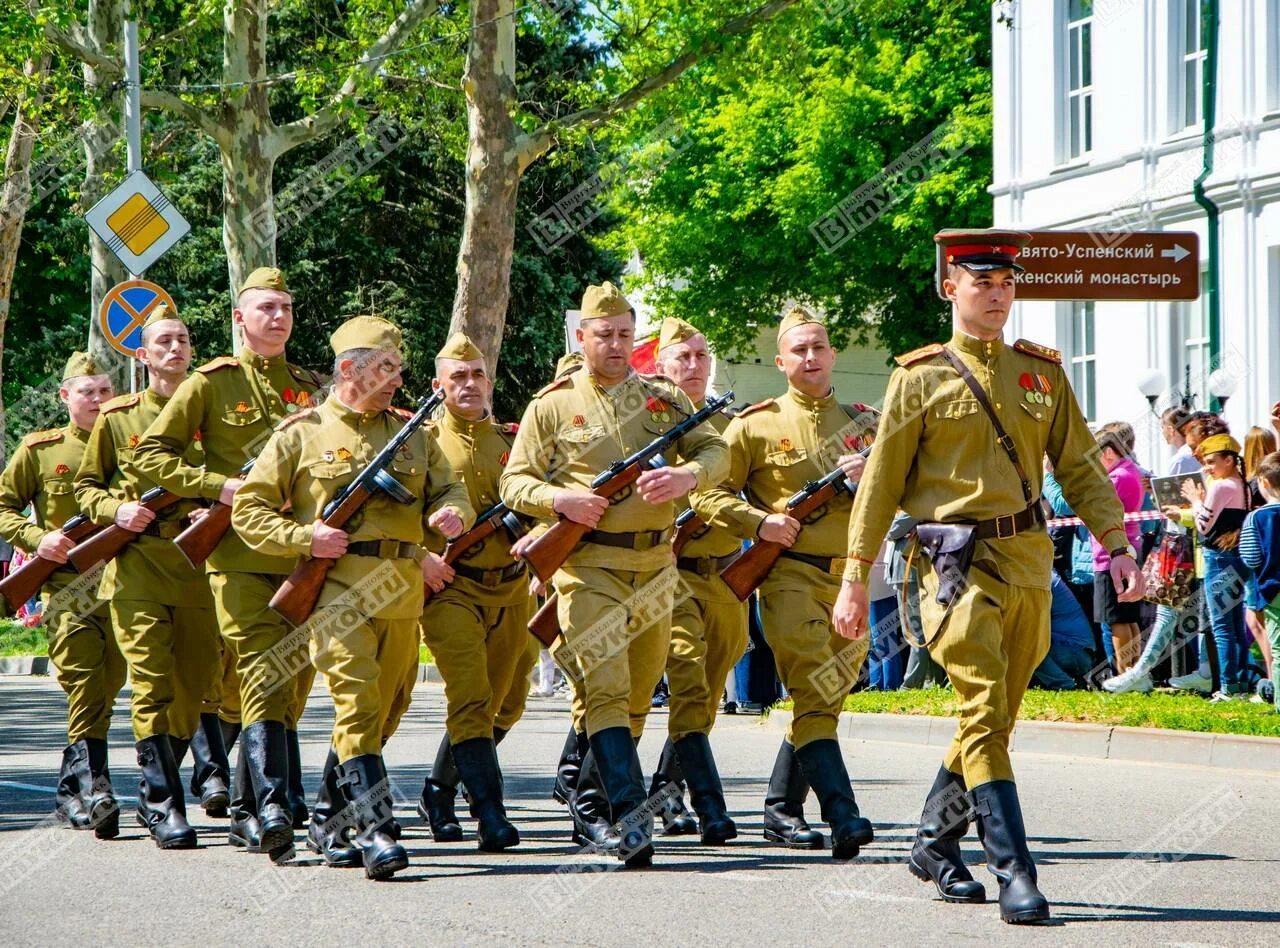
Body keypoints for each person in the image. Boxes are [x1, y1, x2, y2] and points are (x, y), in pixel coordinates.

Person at [835, 229, 1140, 924]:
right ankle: (1015, 873)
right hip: (951, 565)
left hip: (1029, 559)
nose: (997, 293)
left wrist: (1118, 544)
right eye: (981, 282)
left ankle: (933, 843)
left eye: (1006, 283)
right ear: (951, 287)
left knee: (995, 718)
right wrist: (854, 577)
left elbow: (1082, 469)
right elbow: (879, 488)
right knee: (980, 705)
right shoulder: (919, 376)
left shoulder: (1041, 372)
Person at [232, 315, 474, 879]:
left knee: (389, 709)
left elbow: (451, 487)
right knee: (358, 703)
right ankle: (376, 829)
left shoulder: (414, 433)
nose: (396, 378)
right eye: (385, 367)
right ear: (349, 370)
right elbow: (249, 511)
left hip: (402, 585)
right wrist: (303, 537)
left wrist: (451, 514)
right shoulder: (301, 434)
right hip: (337, 585)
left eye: (397, 367)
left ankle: (329, 815)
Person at [500, 281, 728, 867]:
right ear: (582, 337)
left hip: (655, 564)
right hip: (587, 565)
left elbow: (714, 451)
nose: (616, 344)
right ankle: (629, 818)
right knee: (604, 687)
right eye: (604, 335)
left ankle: (590, 805)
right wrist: (562, 502)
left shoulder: (662, 397)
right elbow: (514, 482)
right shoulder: (550, 405)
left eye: (626, 334)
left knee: (635, 699)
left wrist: (687, 479)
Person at [132, 267, 326, 858]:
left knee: (292, 680)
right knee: (265, 668)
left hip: (299, 552)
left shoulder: (305, 386)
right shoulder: (211, 383)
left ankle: (249, 807)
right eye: (266, 307)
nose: (279, 317)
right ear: (240, 319)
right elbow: (150, 456)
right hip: (239, 553)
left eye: (287, 307)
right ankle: (272, 802)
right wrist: (217, 486)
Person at [695, 306, 874, 860]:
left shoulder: (866, 424)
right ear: (780, 361)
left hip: (850, 578)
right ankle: (844, 814)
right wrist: (760, 522)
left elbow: (908, 490)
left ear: (832, 353)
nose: (811, 357)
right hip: (789, 576)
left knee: (828, 701)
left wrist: (876, 478)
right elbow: (707, 493)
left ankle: (780, 808)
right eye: (799, 350)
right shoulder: (756, 424)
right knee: (815, 691)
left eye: (818, 346)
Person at [73, 306, 225, 848]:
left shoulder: (213, 407)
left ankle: (151, 787)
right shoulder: (119, 417)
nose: (175, 349)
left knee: (197, 685)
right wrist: (115, 510)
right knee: (153, 683)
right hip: (138, 565)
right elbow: (85, 488)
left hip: (200, 566)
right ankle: (162, 803)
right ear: (142, 354)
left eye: (183, 339)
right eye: (163, 341)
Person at [0, 353, 123, 839]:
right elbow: (4, 507)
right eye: (87, 391)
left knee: (110, 683)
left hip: (127, 583)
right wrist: (36, 540)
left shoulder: (132, 445)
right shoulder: (40, 450)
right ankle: (96, 788)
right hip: (67, 586)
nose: (97, 400)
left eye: (105, 391)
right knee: (85, 683)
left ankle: (73, 787)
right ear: (65, 396)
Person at [416, 332, 527, 851]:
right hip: (451, 587)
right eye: (457, 377)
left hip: (510, 588)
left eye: (477, 374)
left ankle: (439, 789)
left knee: (502, 702)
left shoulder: (512, 441)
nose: (469, 384)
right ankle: (491, 814)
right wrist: (420, 553)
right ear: (438, 386)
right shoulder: (422, 441)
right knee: (471, 695)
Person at [644, 316, 744, 845]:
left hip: (725, 573)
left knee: (705, 694)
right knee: (686, 676)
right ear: (661, 366)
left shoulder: (731, 428)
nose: (693, 365)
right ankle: (699, 803)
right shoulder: (649, 418)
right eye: (681, 357)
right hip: (670, 568)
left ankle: (665, 785)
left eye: (701, 355)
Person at [1180, 432, 1251, 697]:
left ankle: (1228, 687)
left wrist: (1196, 499)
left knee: (1222, 627)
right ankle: (1241, 684)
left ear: (1230, 460)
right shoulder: (1242, 486)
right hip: (1236, 558)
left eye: (1212, 461)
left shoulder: (1221, 487)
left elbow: (1202, 525)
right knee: (1235, 626)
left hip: (1218, 559)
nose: (1207, 468)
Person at [1091, 423, 1145, 673]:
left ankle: (1125, 672)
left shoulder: (1116, 477)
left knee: (1116, 619)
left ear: (1109, 452)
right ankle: (1133, 671)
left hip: (1110, 554)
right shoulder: (1130, 471)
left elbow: (1096, 509)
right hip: (1127, 549)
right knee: (1127, 616)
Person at [1240, 451, 1280, 709]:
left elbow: (1250, 557)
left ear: (1264, 483)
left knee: (1278, 649)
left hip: (1274, 590)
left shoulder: (1257, 517)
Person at [1031, 573, 1098, 690]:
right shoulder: (1043, 575)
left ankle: (1065, 685)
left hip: (1077, 654)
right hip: (1078, 652)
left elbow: (1029, 626)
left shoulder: (1042, 580)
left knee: (1025, 646)